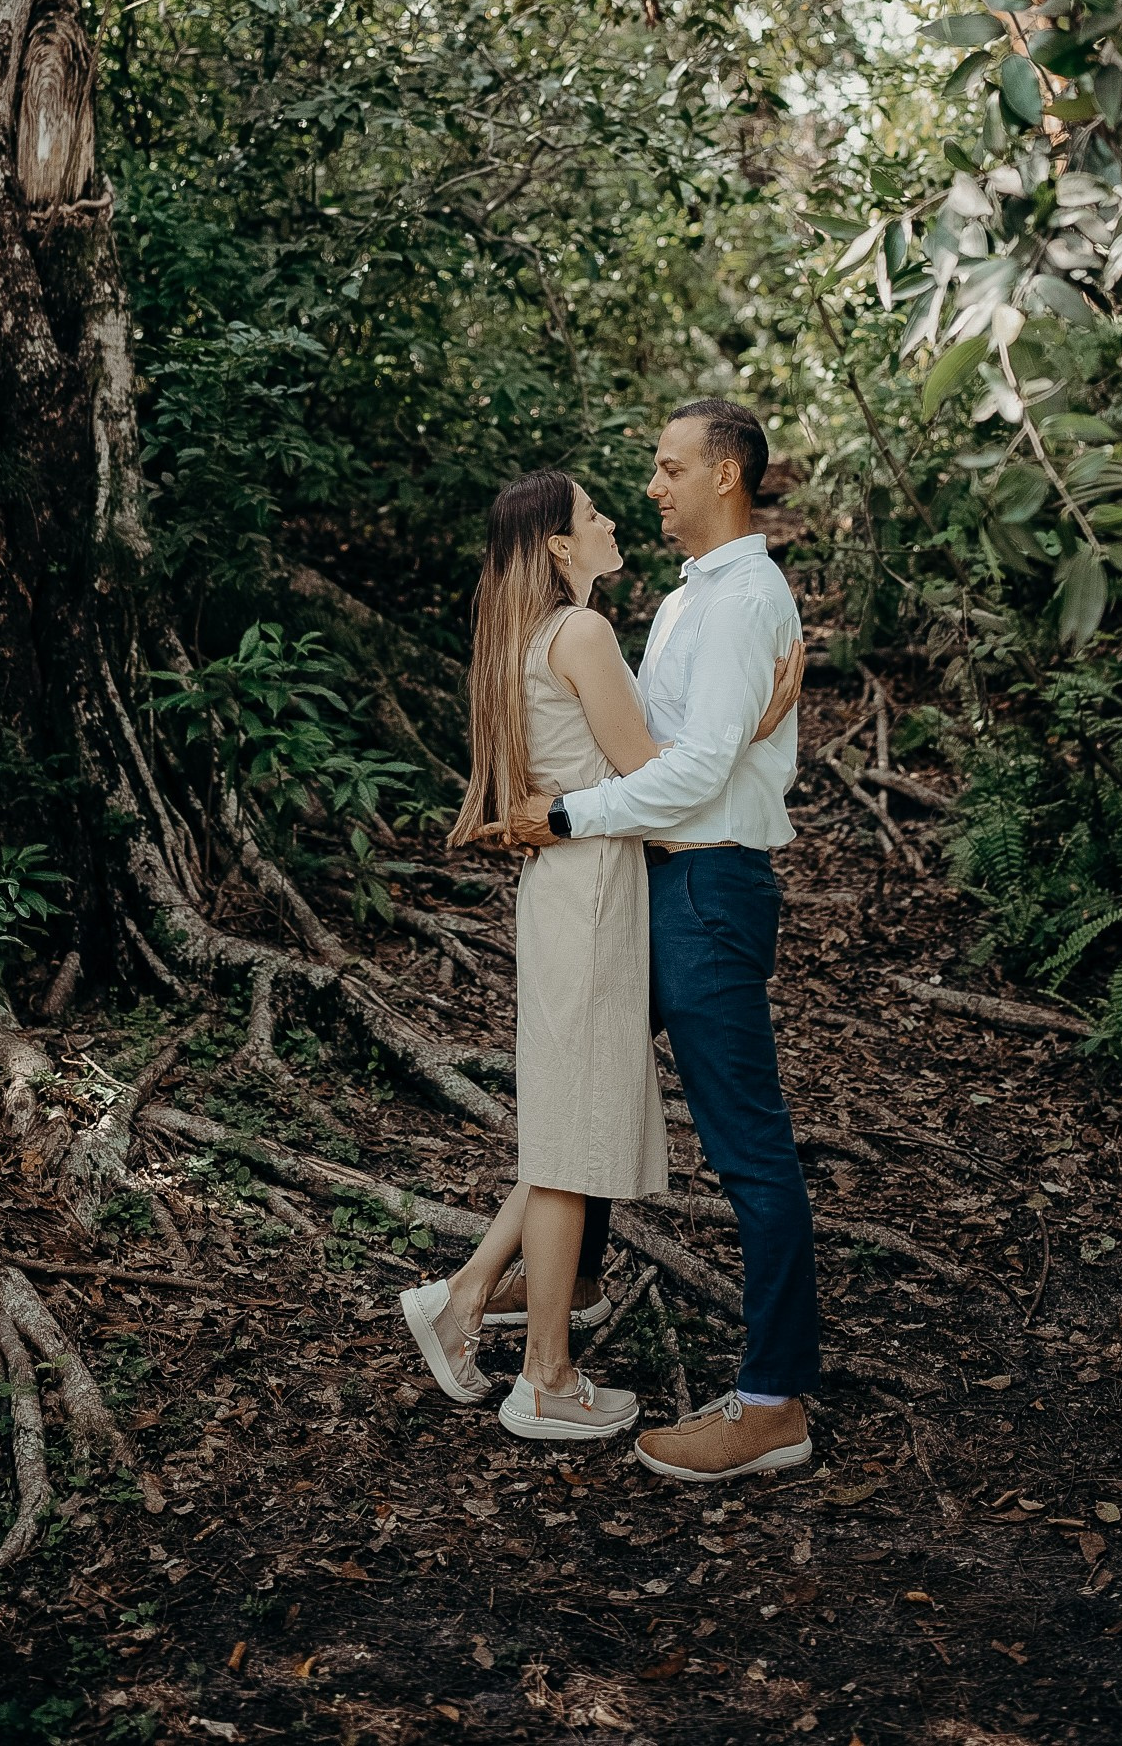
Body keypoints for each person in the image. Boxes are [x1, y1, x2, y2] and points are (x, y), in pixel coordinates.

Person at [399, 467, 801, 1446]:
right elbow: (659, 773)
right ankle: (544, 1380)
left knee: (573, 1122)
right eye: (591, 513)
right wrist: (758, 716)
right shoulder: (578, 632)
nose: (615, 514)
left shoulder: (528, 637)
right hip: (592, 896)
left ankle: (463, 1299)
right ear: (557, 546)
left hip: (577, 892)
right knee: (574, 1132)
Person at [502, 398, 817, 1485]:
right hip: (662, 882)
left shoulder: (738, 602)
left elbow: (688, 774)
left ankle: (771, 1402)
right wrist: (744, 740)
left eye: (670, 468)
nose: (653, 487)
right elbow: (692, 748)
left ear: (726, 477)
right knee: (581, 1084)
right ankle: (516, 1291)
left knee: (747, 1150)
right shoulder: (694, 600)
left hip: (707, 890)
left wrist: (568, 816)